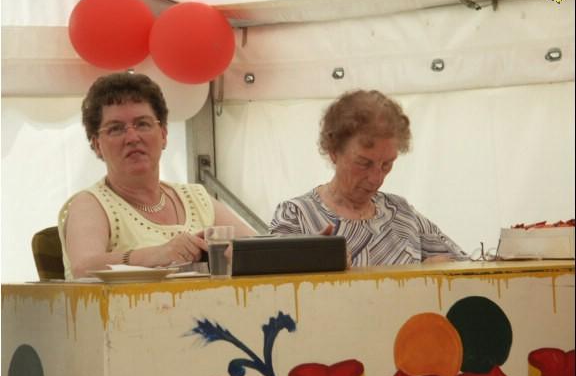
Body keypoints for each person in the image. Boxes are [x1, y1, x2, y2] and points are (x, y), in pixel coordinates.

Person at [58, 72, 256, 280]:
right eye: (116, 129)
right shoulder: (90, 203)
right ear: (96, 145)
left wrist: (237, 254)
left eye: (143, 124)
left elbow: (261, 251)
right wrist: (158, 254)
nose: (132, 137)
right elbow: (83, 267)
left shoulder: (196, 198)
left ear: (163, 135)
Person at [269, 90, 468, 266]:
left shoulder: (401, 214)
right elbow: (268, 285)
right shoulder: (297, 216)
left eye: (386, 164)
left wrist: (436, 268)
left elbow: (467, 266)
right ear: (334, 151)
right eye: (364, 163)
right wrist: (308, 263)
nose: (376, 178)